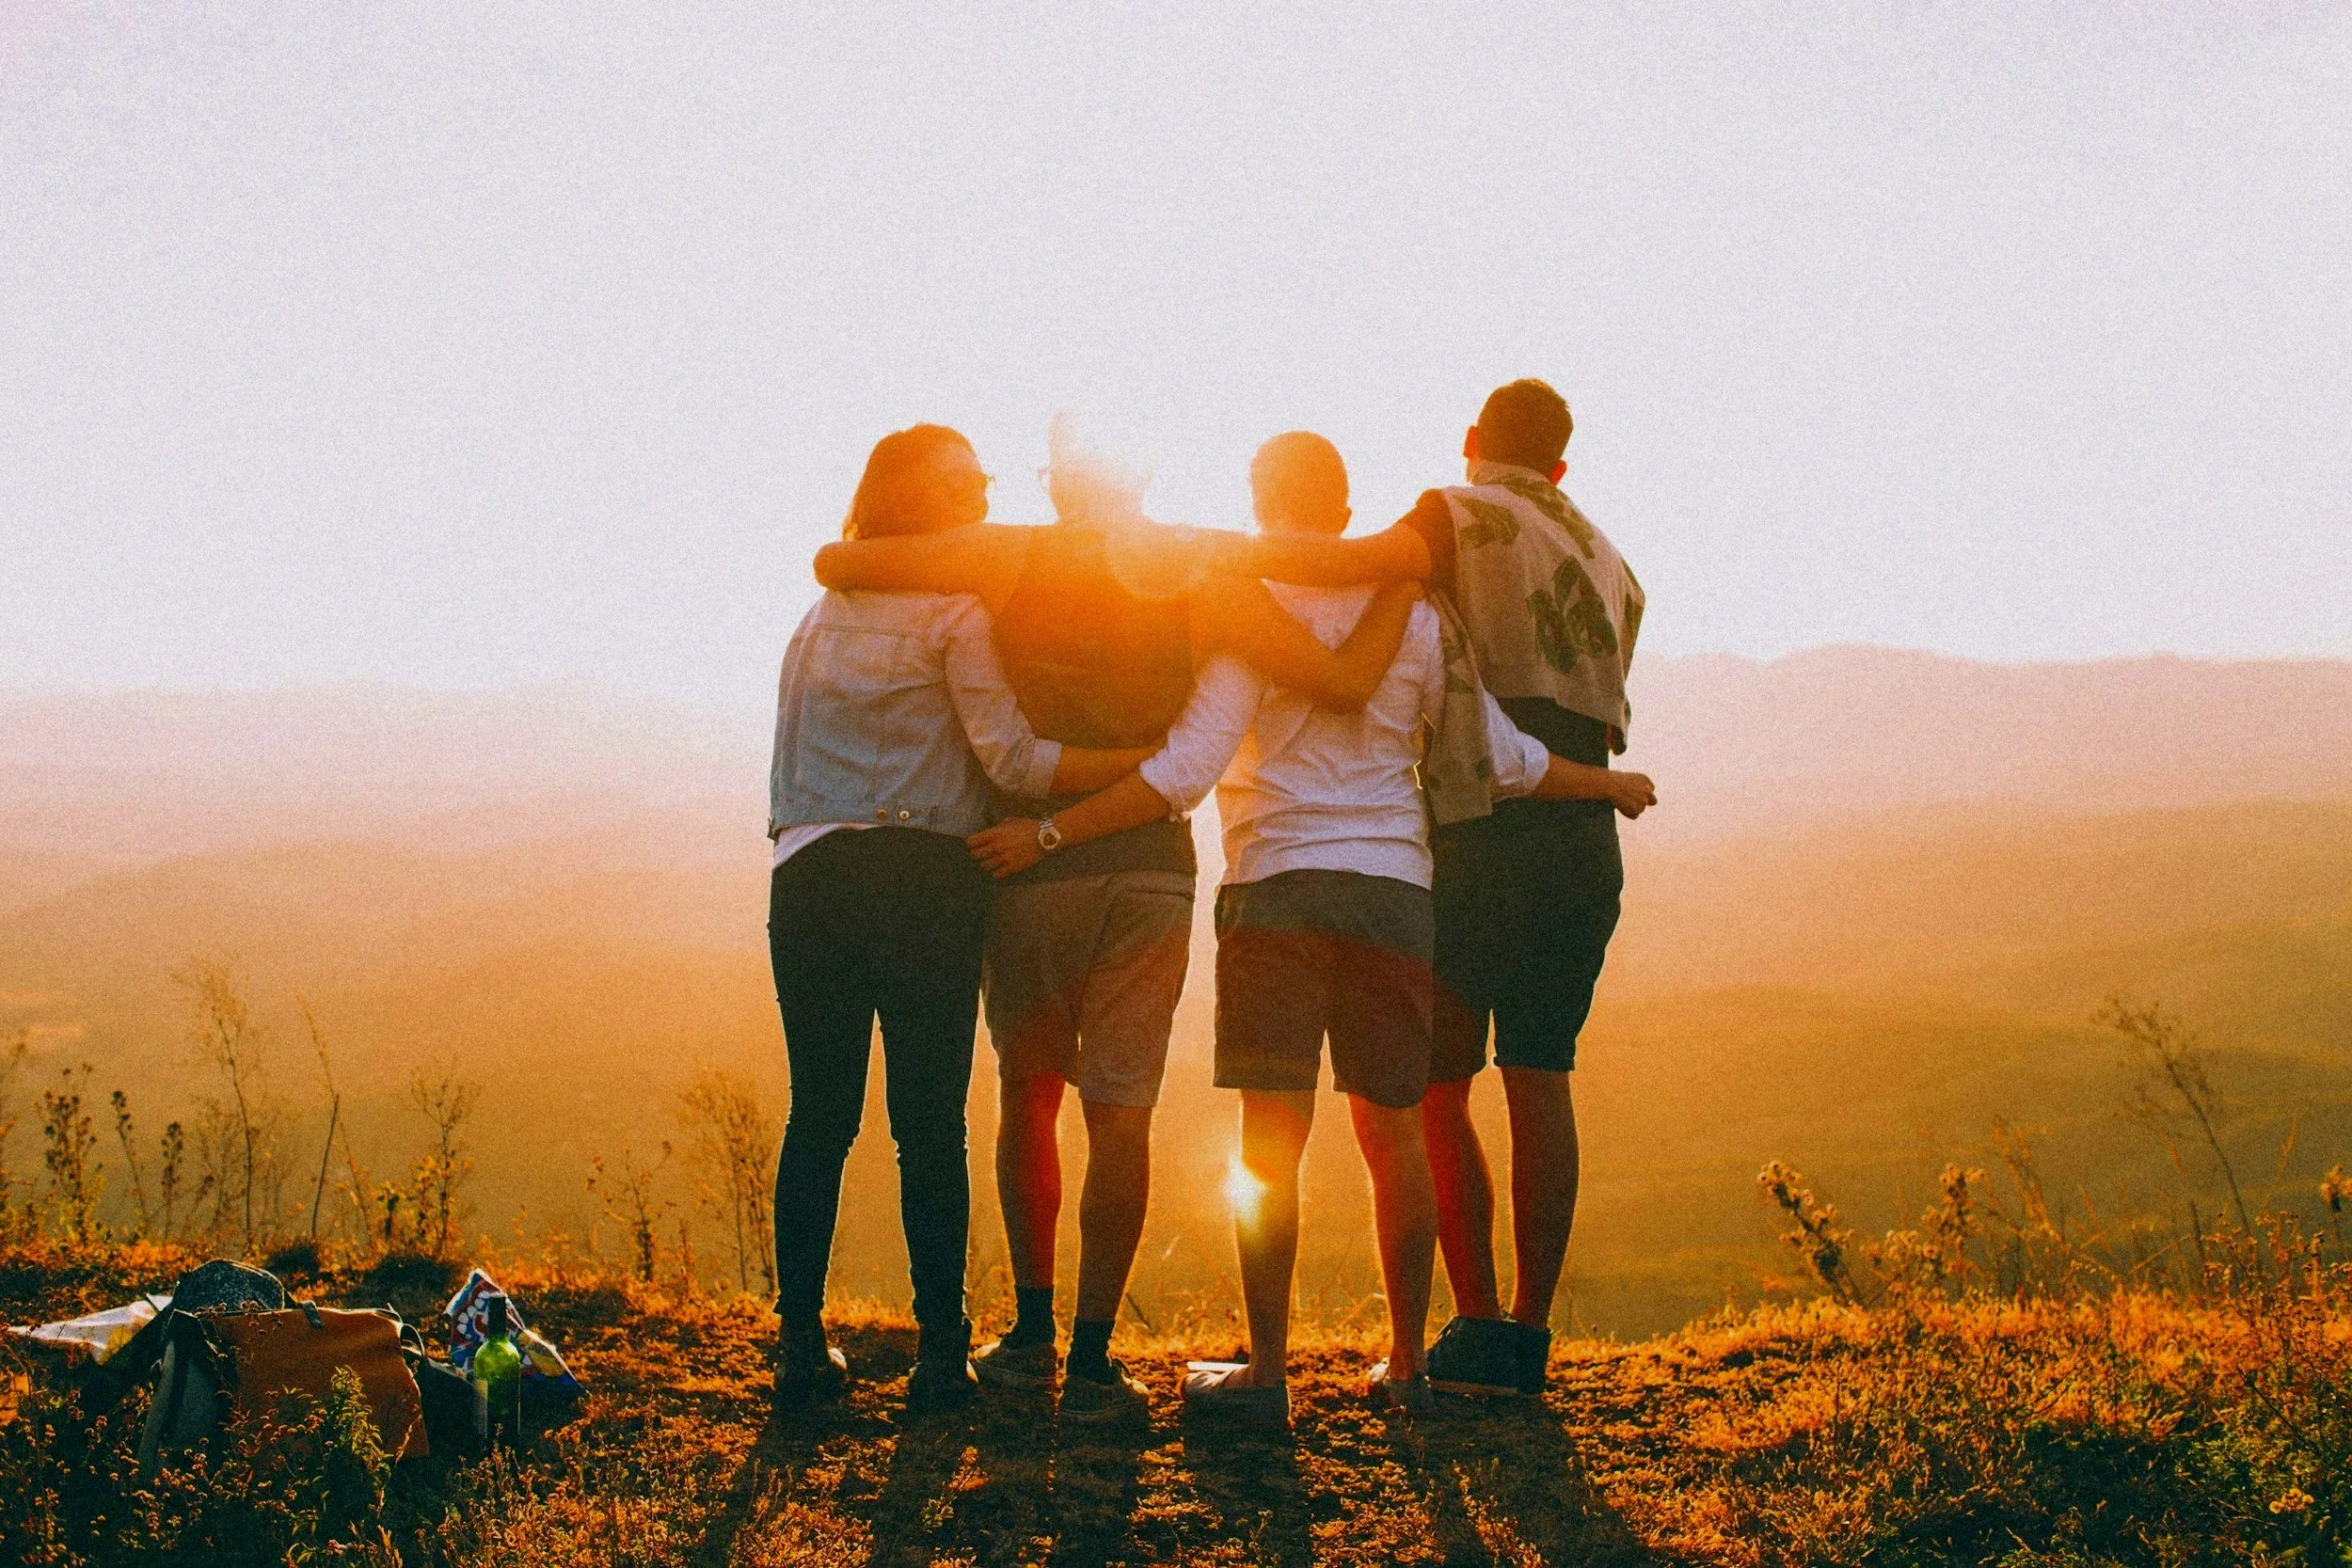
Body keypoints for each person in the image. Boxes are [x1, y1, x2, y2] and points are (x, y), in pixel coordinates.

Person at [967, 432, 1651, 1426]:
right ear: (1343, 510)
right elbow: (1501, 756)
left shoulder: (1245, 609)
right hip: (1394, 893)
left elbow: (1186, 769)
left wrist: (1052, 830)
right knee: (1396, 1134)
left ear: (1258, 499)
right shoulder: (1417, 613)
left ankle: (1268, 1373)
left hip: (1274, 887)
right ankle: (1409, 1366)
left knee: (1270, 1145)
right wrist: (1606, 783)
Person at [813, 414, 1419, 1424]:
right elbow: (1321, 635)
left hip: (1027, 862)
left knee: (1029, 1091)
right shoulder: (1192, 560)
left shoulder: (1006, 554)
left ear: (1056, 486)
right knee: (1121, 1110)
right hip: (1149, 868)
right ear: (1142, 476)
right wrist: (1403, 567)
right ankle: (1094, 1357)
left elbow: (844, 558)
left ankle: (1031, 1332)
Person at [1204, 380, 1650, 1396]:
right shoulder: (1613, 561)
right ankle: (1523, 1337)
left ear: (1470, 441)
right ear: (1563, 465)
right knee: (1542, 1073)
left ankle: (1472, 1323)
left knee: (1431, 1089)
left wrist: (1200, 553)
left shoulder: (1455, 513)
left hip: (1481, 826)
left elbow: (1353, 565)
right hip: (1579, 833)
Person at [765, 423, 1161, 1414]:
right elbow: (1016, 764)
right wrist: (1138, 765)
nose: (983, 493)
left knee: (819, 1115)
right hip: (925, 881)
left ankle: (800, 1349)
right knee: (927, 1125)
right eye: (966, 482)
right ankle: (941, 1355)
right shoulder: (953, 615)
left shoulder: (816, 618)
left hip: (808, 874)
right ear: (924, 502)